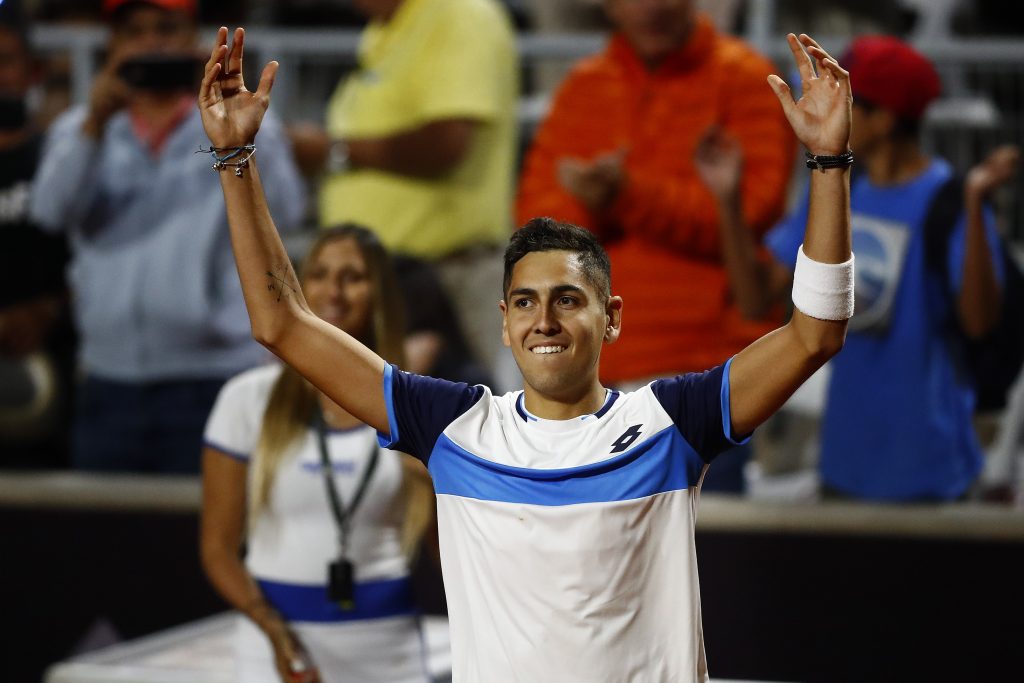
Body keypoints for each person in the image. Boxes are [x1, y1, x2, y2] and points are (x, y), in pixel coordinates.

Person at [199, 25, 851, 680]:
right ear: (504, 324)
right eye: (524, 302)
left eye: (568, 299)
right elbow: (282, 324)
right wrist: (234, 158)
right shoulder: (454, 426)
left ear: (612, 317)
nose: (544, 320)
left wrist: (828, 163)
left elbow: (814, 334)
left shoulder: (670, 422)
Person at [695, 35, 1015, 502]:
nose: (829, 106)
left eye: (845, 98)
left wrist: (973, 200)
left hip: (931, 471)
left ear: (884, 119)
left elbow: (980, 323)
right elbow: (755, 298)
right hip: (844, 466)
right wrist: (727, 199)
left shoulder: (949, 201)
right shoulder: (836, 186)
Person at [515, 0, 796, 491]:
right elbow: (534, 222)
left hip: (708, 377)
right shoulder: (585, 85)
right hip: (595, 375)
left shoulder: (745, 78)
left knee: (707, 539)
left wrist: (626, 196)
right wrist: (598, 206)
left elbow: (751, 211)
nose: (650, 8)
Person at [29, 0, 305, 473]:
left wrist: (236, 133)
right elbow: (49, 214)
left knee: (212, 521)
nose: (152, 43)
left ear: (193, 42)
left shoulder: (234, 120)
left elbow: (289, 209)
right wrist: (95, 124)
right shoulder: (79, 129)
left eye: (166, 29)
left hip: (215, 378)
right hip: (108, 381)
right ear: (113, 45)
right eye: (134, 31)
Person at [201, 225, 435, 683]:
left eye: (353, 277)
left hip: (388, 651)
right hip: (274, 648)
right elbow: (218, 549)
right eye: (320, 274)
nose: (334, 292)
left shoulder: (416, 407)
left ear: (381, 293)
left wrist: (436, 482)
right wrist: (271, 628)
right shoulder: (246, 398)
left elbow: (453, 560)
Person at [305, 0, 520, 388]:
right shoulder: (384, 29)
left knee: (466, 420)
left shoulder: (459, 14)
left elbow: (445, 143)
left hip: (448, 282)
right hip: (385, 283)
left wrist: (333, 152)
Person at [0, 5, 75, 468]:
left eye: (5, 61)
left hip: (52, 368)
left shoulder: (58, 160)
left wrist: (50, 308)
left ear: (32, 71)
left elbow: (92, 252)